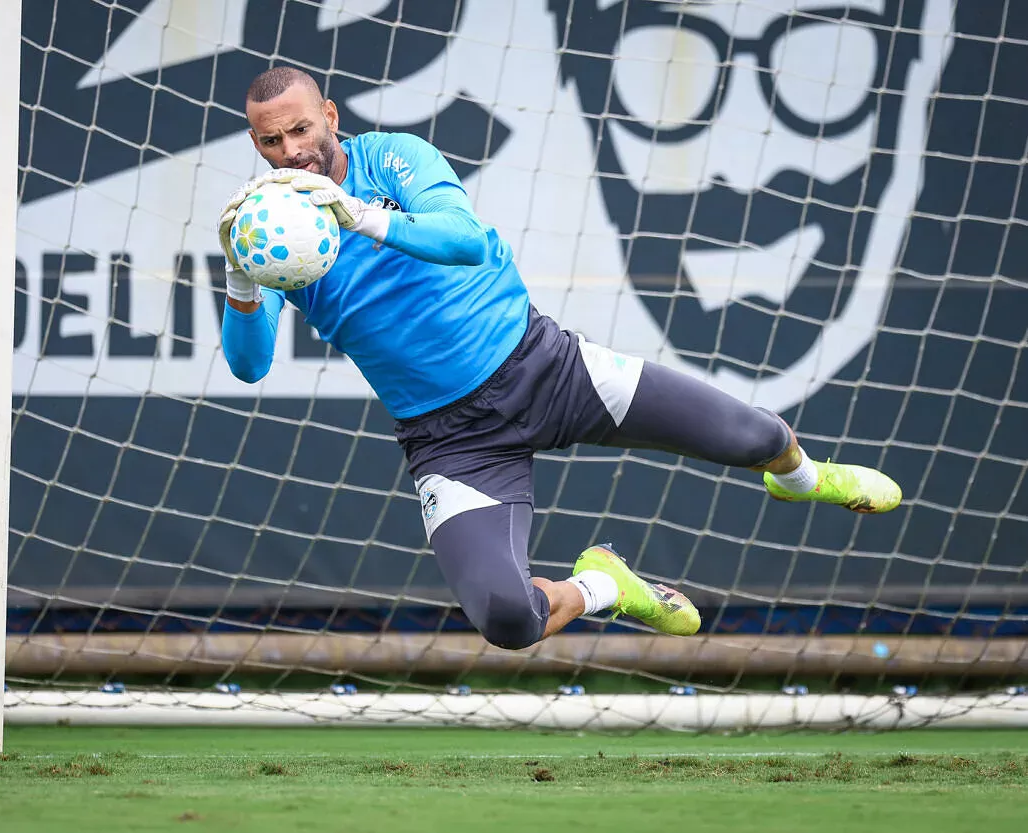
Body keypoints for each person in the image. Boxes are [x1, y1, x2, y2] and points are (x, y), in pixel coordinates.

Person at [216, 67, 901, 650]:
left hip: (547, 370)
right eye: (272, 140)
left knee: (758, 437)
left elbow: (465, 242)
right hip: (453, 443)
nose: (292, 150)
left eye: (302, 129)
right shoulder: (269, 232)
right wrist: (242, 278)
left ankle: (805, 480)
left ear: (329, 116)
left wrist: (358, 213)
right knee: (509, 621)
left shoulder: (392, 157)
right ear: (257, 143)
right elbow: (249, 365)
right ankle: (608, 582)